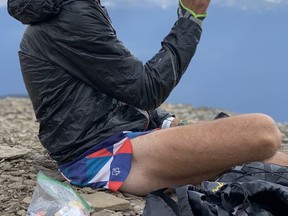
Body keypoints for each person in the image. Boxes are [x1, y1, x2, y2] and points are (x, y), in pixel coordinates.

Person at [8, 0, 288, 196]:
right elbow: (146, 90)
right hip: (100, 156)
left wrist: (165, 122)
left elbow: (111, 90)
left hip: (118, 139)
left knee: (276, 161)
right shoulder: (73, 15)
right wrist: (191, 18)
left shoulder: (66, 11)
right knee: (261, 133)